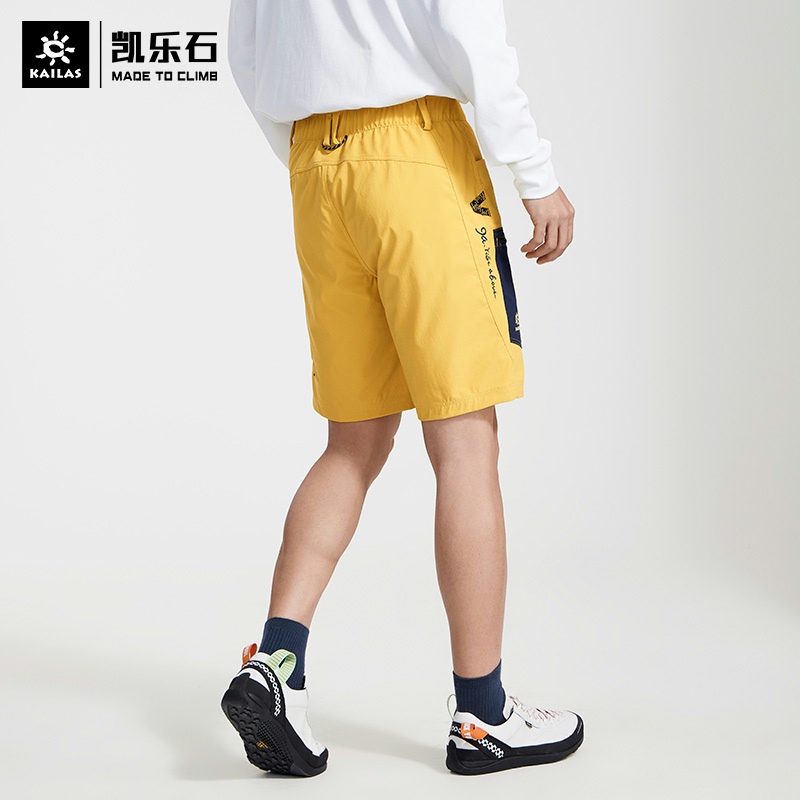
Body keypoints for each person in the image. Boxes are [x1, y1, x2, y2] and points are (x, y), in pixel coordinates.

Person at [223, 0, 582, 777]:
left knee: (353, 441)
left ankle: (277, 667)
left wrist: (310, 147)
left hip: (317, 168)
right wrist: (535, 173)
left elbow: (243, 48)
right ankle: (483, 715)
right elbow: (466, 26)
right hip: (416, 154)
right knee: (464, 441)